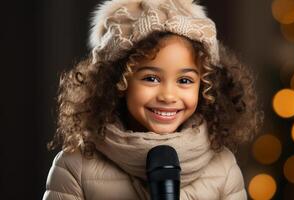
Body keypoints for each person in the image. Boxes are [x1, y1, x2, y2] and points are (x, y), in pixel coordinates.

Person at [43, 0, 262, 199]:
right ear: (118, 82)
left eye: (184, 80)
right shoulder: (74, 167)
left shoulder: (222, 169)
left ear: (205, 86)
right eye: (151, 78)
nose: (168, 95)